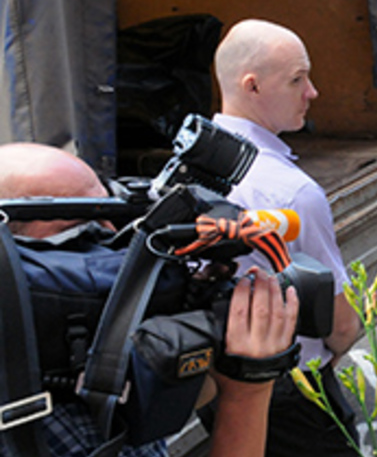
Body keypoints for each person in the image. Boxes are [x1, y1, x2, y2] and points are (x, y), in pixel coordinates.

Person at [0, 143, 299, 457]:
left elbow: (191, 397)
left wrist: (190, 310)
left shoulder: (55, 355)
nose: (117, 249)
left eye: (114, 220)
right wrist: (247, 394)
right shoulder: (38, 419)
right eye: (83, 232)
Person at [212, 19, 364, 455]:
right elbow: (341, 325)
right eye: (297, 79)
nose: (312, 92)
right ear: (252, 87)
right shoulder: (292, 193)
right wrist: (340, 346)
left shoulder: (189, 166)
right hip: (292, 392)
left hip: (221, 383)